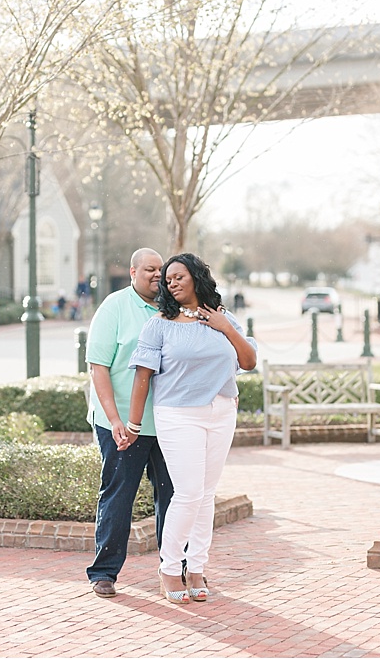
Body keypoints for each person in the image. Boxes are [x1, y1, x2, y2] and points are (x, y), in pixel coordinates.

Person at [128, 253, 256, 605]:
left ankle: (197, 568)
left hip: (221, 411)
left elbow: (248, 361)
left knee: (207, 494)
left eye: (179, 276)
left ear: (197, 277)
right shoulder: (159, 324)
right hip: (178, 414)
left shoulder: (224, 318)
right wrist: (133, 424)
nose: (171, 282)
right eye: (168, 279)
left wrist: (225, 328)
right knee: (187, 493)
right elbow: (143, 376)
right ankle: (170, 569)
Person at [84, 248, 175, 598]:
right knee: (119, 494)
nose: (157, 275)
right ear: (133, 271)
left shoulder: (173, 309)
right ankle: (104, 572)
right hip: (121, 423)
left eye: (161, 270)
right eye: (150, 269)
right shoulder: (114, 307)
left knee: (172, 497)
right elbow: (98, 366)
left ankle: (175, 568)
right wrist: (114, 419)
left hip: (167, 422)